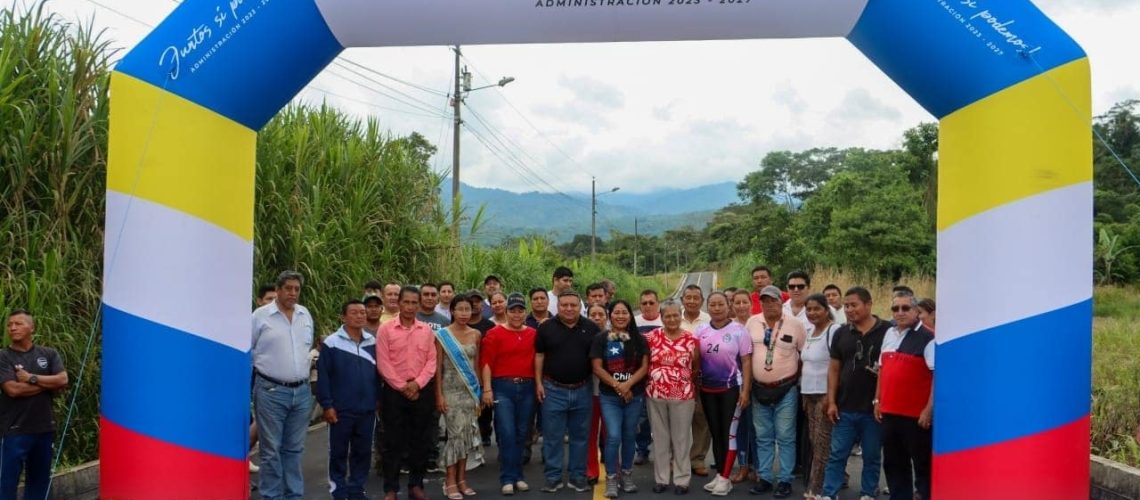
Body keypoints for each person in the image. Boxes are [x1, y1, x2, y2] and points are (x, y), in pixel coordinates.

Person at [819, 287, 890, 500]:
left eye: (854, 305)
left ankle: (868, 492)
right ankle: (829, 493)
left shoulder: (888, 331)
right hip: (845, 406)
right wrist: (831, 401)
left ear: (868, 304)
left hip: (874, 408)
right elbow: (833, 369)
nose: (849, 310)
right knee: (837, 454)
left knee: (871, 455)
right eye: (847, 306)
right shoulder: (841, 332)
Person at [251, 271, 314, 499]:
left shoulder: (305, 314)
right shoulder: (260, 316)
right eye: (288, 288)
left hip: (302, 392)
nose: (293, 293)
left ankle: (293, 496)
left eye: (297, 289)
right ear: (278, 289)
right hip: (271, 391)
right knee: (270, 452)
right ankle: (271, 496)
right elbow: (249, 351)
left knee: (294, 450)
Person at [376, 286, 438, 500]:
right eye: (407, 302)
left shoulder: (426, 330)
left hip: (421, 391)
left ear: (419, 305)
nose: (410, 307)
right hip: (394, 393)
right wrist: (402, 386)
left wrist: (417, 384)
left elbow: (432, 361)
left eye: (414, 303)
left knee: (420, 441)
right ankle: (391, 489)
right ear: (398, 303)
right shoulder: (386, 329)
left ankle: (416, 485)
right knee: (393, 442)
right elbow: (383, 363)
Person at [535, 290, 600, 493]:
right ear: (558, 307)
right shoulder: (546, 328)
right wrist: (538, 383)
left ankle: (577, 476)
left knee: (580, 436)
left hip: (583, 388)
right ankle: (553, 477)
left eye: (573, 305)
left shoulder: (591, 328)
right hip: (553, 389)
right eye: (564, 305)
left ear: (580, 306)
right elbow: (539, 356)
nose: (569, 309)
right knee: (552, 437)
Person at [317, 300, 381, 500]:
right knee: (338, 452)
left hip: (367, 409)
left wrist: (377, 400)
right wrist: (327, 405)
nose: (360, 316)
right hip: (341, 409)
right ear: (343, 317)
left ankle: (356, 490)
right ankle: (338, 490)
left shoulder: (372, 341)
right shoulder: (331, 343)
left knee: (362, 453)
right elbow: (324, 377)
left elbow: (378, 375)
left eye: (362, 312)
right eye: (354, 312)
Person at [0, 310, 68, 500]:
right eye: (10, 324)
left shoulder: (49, 354)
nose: (12, 328)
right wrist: (46, 385)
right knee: (6, 483)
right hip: (14, 430)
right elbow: (13, 390)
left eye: (18, 324)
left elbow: (63, 379)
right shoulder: (3, 357)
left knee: (39, 483)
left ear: (32, 328)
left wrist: (31, 378)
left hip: (44, 428)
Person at [746, 285, 806, 499]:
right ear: (760, 303)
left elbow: (803, 355)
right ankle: (764, 478)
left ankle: (785, 480)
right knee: (762, 436)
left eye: (773, 300)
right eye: (765, 301)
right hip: (759, 388)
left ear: (782, 302)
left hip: (786, 388)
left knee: (786, 436)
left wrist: (795, 381)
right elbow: (746, 356)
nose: (769, 304)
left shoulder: (796, 325)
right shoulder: (752, 322)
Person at [875, 294, 935, 500]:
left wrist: (928, 409)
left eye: (905, 308)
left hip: (916, 416)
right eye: (895, 309)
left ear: (916, 311)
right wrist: (877, 400)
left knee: (922, 464)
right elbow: (882, 370)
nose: (900, 312)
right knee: (893, 463)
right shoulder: (889, 334)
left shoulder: (929, 337)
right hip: (890, 412)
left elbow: (938, 375)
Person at [693, 292, 752, 496]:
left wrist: (745, 391)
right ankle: (720, 474)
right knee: (716, 433)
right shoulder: (700, 329)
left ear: (729, 306)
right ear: (707, 307)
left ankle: (726, 478)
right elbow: (696, 360)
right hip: (707, 390)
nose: (717, 308)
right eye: (712, 304)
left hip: (731, 390)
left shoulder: (739, 331)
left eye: (720, 304)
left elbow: (746, 362)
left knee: (729, 434)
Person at [482, 294, 538, 495]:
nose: (516, 314)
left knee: (523, 434)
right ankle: (507, 477)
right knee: (506, 433)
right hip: (502, 387)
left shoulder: (533, 333)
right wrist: (487, 389)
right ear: (505, 312)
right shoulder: (494, 333)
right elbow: (486, 363)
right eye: (512, 310)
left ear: (525, 313)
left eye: (520, 310)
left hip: (527, 387)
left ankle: (519, 476)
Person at [591, 300, 649, 498]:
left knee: (629, 436)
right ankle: (611, 478)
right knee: (614, 437)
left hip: (634, 395)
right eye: (616, 312)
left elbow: (644, 367)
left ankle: (627, 475)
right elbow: (597, 367)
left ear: (630, 315)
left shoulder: (639, 339)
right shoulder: (601, 338)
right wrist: (619, 386)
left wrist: (628, 384)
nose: (621, 316)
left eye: (625, 312)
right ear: (610, 315)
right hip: (609, 397)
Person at [645, 300, 700, 495]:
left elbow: (695, 367)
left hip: (683, 396)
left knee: (681, 438)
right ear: (661, 317)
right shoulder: (651, 338)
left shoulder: (691, 340)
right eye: (667, 316)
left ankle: (682, 480)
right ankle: (661, 479)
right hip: (655, 395)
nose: (672, 319)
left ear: (681, 315)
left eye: (675, 315)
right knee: (660, 439)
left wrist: (680, 382)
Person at [434, 294, 484, 500]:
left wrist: (479, 393)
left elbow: (477, 365)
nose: (464, 313)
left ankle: (462, 480)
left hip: (469, 393)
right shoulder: (442, 335)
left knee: (465, 437)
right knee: (454, 437)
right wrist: (438, 395)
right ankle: (450, 481)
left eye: (467, 309)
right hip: (450, 392)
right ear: (452, 311)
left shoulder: (476, 334)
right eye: (460, 309)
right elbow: (437, 368)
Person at [801, 294, 841, 499]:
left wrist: (830, 395)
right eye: (808, 309)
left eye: (817, 309)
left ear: (827, 310)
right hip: (808, 394)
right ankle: (828, 482)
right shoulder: (809, 331)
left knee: (822, 442)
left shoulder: (833, 331)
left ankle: (818, 490)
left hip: (824, 394)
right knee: (813, 440)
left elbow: (837, 365)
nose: (812, 313)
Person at [679, 285, 711, 478]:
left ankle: (697, 459)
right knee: (678, 422)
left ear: (702, 300)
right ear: (682, 299)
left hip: (703, 378)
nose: (691, 301)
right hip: (677, 381)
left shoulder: (709, 320)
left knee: (701, 420)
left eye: (695, 298)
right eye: (688, 297)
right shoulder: (674, 318)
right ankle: (678, 459)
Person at [728, 290, 757, 484]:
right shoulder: (729, 326)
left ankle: (759, 468)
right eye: (736, 302)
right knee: (740, 427)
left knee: (757, 429)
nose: (740, 306)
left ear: (751, 304)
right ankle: (743, 466)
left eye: (744, 302)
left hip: (760, 384)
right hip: (736, 384)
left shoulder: (759, 323)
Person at [632, 289, 663, 464]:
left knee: (661, 417)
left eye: (652, 302)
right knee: (641, 416)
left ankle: (663, 451)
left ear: (658, 303)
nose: (648, 306)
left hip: (662, 378)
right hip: (640, 377)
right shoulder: (634, 323)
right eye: (644, 303)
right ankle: (642, 449)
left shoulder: (666, 320)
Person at [249, 284, 278, 474]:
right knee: (257, 420)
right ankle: (242, 455)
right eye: (268, 299)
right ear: (259, 301)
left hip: (280, 380)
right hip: (256, 376)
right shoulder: (256, 319)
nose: (272, 303)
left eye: (275, 299)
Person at [584, 302, 609, 485]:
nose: (597, 318)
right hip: (588, 392)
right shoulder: (582, 335)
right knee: (589, 434)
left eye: (601, 314)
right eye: (593, 315)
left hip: (611, 393)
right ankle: (591, 470)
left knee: (612, 435)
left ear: (607, 317)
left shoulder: (617, 336)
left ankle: (613, 471)